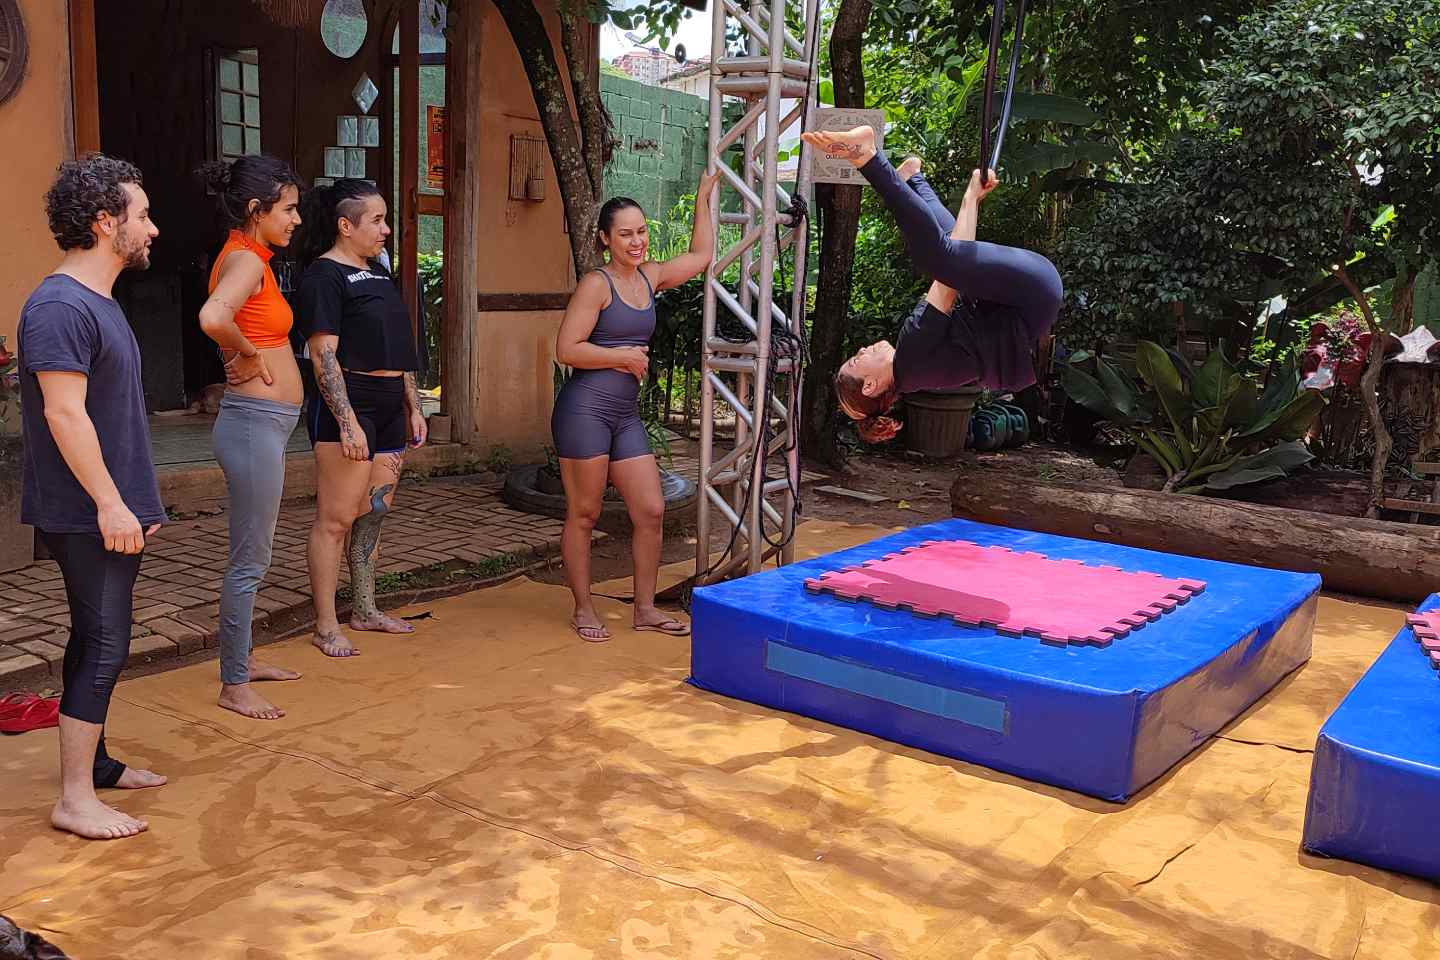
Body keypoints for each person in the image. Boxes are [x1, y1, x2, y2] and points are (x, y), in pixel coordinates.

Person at [18, 154, 167, 840]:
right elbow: (64, 414)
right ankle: (74, 799)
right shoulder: (59, 306)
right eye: (142, 215)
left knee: (94, 634)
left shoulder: (96, 302)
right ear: (106, 223)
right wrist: (110, 503)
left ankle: (97, 767)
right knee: (106, 641)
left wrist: (135, 500)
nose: (153, 229)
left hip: (108, 504)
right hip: (85, 509)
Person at [800, 126, 1063, 443]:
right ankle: (868, 157)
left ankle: (911, 176)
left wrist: (970, 197)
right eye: (857, 360)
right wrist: (969, 197)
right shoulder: (912, 357)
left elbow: (958, 258)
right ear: (870, 385)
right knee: (940, 260)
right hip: (1032, 294)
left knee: (948, 256)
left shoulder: (915, 371)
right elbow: (949, 271)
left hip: (1031, 293)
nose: (861, 350)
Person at [552, 170, 719, 642]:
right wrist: (621, 356)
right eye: (625, 234)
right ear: (605, 239)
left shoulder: (650, 276)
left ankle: (644, 609)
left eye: (642, 231)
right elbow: (566, 349)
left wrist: (703, 198)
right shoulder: (596, 284)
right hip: (585, 412)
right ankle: (584, 608)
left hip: (623, 416)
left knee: (650, 509)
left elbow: (702, 256)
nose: (637, 241)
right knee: (584, 513)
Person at [294, 179, 425, 658]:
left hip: (390, 404)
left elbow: (399, 346)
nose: (386, 229)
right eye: (377, 220)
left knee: (375, 511)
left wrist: (413, 404)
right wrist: (347, 420)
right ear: (345, 226)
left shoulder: (379, 272)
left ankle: (365, 609)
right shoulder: (323, 276)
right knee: (336, 520)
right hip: (351, 404)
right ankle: (326, 625)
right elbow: (323, 355)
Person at [196, 155, 306, 721]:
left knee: (253, 555)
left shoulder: (248, 256)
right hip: (251, 424)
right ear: (256, 209)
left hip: (262, 424)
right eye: (288, 209)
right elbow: (213, 317)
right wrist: (245, 352)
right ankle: (234, 684)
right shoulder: (243, 260)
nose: (296, 220)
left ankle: (243, 660)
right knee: (249, 560)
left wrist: (246, 348)